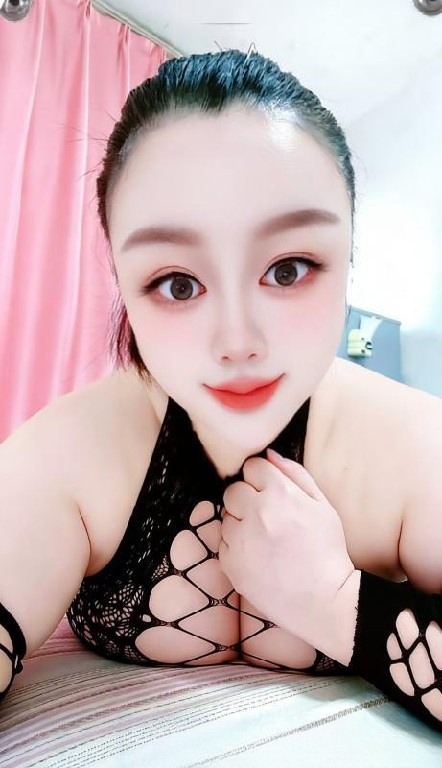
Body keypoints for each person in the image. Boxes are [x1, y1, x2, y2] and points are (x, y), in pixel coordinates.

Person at [0, 49, 441, 731]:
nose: (237, 341)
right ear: (123, 284)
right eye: (178, 284)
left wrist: (342, 604)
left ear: (348, 255)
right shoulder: (70, 454)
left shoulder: (413, 447)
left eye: (289, 269)